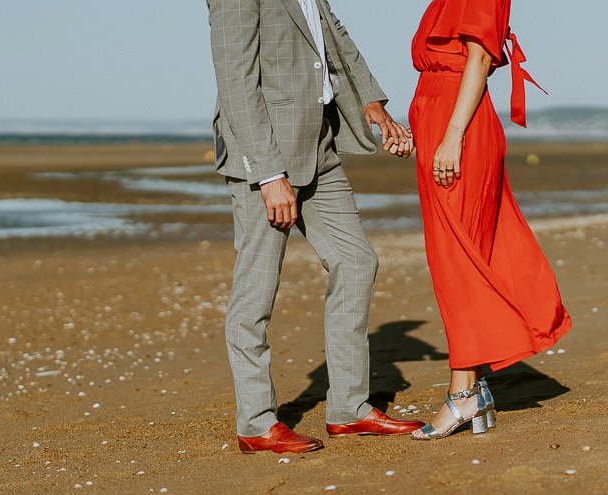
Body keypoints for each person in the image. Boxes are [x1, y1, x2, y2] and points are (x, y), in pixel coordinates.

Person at [208, 0, 425, 454]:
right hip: (265, 157)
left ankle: (349, 409)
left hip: (319, 145)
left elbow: (333, 35)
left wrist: (373, 106)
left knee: (356, 261)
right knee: (257, 289)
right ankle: (255, 423)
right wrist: (268, 175)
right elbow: (235, 79)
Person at [408, 0, 572, 440]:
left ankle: (463, 394)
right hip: (438, 120)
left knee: (458, 263)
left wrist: (452, 136)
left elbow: (478, 59)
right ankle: (473, 387)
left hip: (458, 127)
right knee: (457, 259)